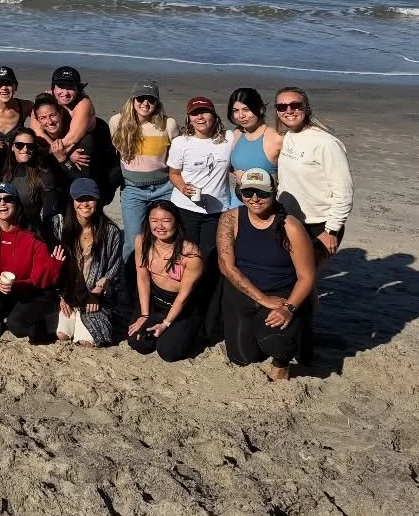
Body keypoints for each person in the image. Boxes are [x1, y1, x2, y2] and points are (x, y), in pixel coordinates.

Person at [218, 169, 317, 381]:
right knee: (243, 358)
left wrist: (289, 308)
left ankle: (283, 359)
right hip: (243, 293)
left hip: (280, 292)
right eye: (248, 192)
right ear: (240, 193)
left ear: (273, 193)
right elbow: (227, 267)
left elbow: (307, 276)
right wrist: (262, 299)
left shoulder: (290, 226)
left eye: (262, 193)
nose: (255, 198)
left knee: (277, 342)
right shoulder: (229, 219)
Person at [167, 95, 232, 342]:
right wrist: (183, 187)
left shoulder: (228, 140)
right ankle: (181, 312)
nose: (201, 117)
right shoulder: (181, 142)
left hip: (217, 213)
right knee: (184, 261)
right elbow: (173, 173)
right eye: (196, 113)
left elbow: (237, 165)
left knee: (210, 264)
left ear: (214, 116)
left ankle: (208, 320)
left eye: (205, 112)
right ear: (189, 118)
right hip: (185, 210)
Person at [0, 183, 61, 341]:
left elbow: (40, 280)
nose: (2, 203)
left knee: (18, 327)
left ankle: (33, 318)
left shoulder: (31, 235)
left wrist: (53, 265)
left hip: (25, 291)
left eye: (8, 199)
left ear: (17, 204)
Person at [274, 87, 352, 264]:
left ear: (306, 107)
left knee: (303, 280)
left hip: (319, 224)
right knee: (291, 279)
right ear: (277, 112)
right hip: (289, 221)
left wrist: (331, 230)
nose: (289, 110)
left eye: (295, 105)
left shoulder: (326, 143)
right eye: (282, 107)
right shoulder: (286, 137)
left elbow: (344, 192)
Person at [126, 200, 203, 361]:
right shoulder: (142, 241)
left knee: (168, 352)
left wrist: (166, 323)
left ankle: (191, 330)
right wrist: (145, 314)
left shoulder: (190, 253)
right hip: (155, 300)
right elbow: (143, 277)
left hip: (181, 306)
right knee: (139, 343)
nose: (159, 226)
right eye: (154, 221)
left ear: (176, 222)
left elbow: (184, 295)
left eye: (166, 221)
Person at [111, 80, 179, 258]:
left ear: (157, 103)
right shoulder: (117, 122)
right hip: (133, 189)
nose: (145, 104)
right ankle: (128, 282)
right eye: (140, 98)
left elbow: (177, 158)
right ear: (132, 100)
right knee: (133, 240)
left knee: (166, 236)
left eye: (151, 100)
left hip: (164, 189)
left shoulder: (168, 124)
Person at [54, 179, 124, 346]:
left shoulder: (110, 231)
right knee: (61, 335)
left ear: (98, 201)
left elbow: (115, 266)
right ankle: (74, 316)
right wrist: (59, 296)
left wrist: (98, 289)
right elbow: (52, 266)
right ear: (72, 201)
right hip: (67, 296)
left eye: (90, 198)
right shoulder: (60, 226)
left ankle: (83, 318)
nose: (84, 204)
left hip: (95, 298)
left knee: (87, 341)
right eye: (80, 199)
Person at [0, 127, 63, 241]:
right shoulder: (4, 169)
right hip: (4, 230)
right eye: (19, 145)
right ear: (12, 146)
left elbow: (50, 213)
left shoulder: (43, 174)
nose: (25, 149)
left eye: (30, 146)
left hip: (31, 232)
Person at [225, 87, 282, 205]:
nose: (240, 116)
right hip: (238, 200)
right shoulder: (237, 134)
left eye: (246, 109)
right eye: (236, 110)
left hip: (264, 204)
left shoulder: (276, 137)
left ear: (260, 109)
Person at [34, 66, 97, 167]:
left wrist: (57, 152)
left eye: (70, 88)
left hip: (87, 141)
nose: (65, 92)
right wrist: (63, 153)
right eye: (61, 87)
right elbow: (36, 131)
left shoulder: (83, 103)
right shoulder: (45, 98)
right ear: (53, 88)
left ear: (77, 89)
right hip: (63, 144)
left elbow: (72, 138)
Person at [0, 66, 31, 161]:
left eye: (8, 84)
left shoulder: (25, 106)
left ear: (15, 86)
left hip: (16, 164)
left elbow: (46, 115)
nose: (4, 88)